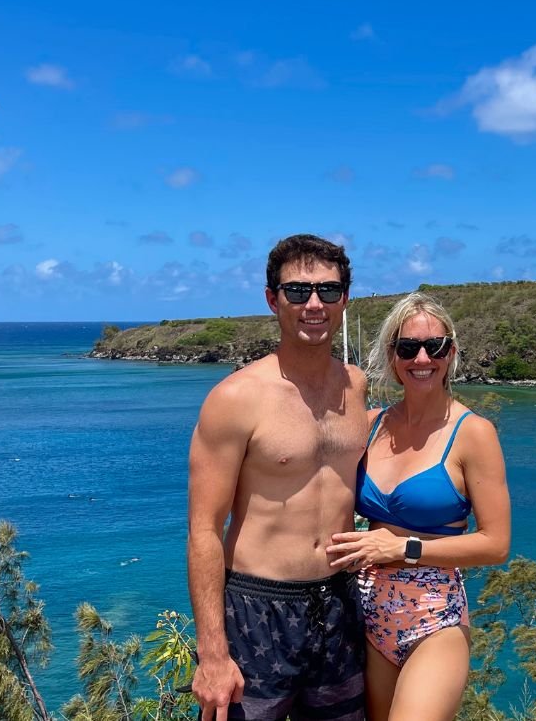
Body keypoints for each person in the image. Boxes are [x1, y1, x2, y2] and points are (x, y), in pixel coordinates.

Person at [188, 234, 369, 721]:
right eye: (297, 291)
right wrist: (211, 653)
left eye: (329, 292)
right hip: (257, 609)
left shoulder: (356, 387)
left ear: (345, 300)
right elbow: (204, 530)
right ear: (273, 299)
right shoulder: (236, 398)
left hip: (339, 603)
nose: (315, 304)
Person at [326, 292, 511, 721]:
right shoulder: (370, 426)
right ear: (393, 357)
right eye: (408, 347)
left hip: (435, 619)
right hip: (367, 615)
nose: (422, 357)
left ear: (452, 352)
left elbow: (496, 544)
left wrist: (402, 548)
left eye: (436, 346)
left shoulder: (474, 434)